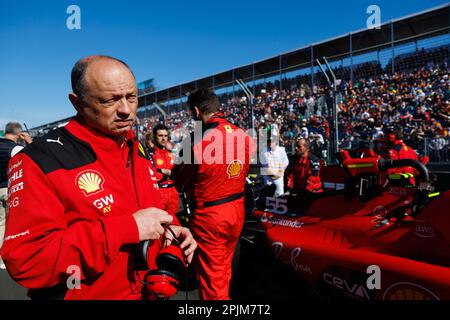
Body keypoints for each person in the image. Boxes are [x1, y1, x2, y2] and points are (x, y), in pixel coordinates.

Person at [0, 55, 196, 300]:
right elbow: (28, 261)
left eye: (131, 97)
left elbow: (149, 210)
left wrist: (172, 227)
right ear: (77, 103)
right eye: (109, 100)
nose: (125, 110)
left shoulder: (137, 149)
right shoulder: (40, 158)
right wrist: (127, 228)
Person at [173, 88, 256, 300]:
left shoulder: (197, 140)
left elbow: (179, 180)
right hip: (237, 210)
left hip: (211, 216)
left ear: (196, 111)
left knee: (212, 281)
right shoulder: (244, 136)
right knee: (224, 270)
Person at [0, 122, 33, 269]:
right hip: (9, 189)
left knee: (0, 223)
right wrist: (30, 144)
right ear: (19, 134)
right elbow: (33, 162)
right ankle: (9, 257)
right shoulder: (16, 148)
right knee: (12, 224)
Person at [149, 124, 179, 215]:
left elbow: (177, 174)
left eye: (165, 136)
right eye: (160, 136)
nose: (163, 139)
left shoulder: (171, 154)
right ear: (154, 137)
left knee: (175, 222)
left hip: (173, 193)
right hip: (159, 194)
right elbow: (152, 175)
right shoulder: (149, 154)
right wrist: (164, 172)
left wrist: (162, 171)